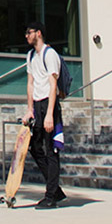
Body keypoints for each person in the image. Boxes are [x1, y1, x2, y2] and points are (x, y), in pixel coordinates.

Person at [23, 22, 66, 209]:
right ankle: (55, 189)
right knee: (34, 147)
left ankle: (51, 197)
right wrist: (29, 109)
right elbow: (30, 83)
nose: (26, 36)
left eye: (29, 32)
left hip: (49, 104)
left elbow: (53, 84)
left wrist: (50, 114)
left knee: (51, 150)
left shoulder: (50, 55)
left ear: (38, 33)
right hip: (38, 105)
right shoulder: (31, 55)